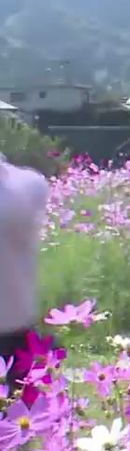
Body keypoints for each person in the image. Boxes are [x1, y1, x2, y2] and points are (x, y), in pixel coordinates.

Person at [0, 152, 50, 394]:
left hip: (15, 321)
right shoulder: (31, 183)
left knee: (23, 417)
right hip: (17, 317)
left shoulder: (30, 184)